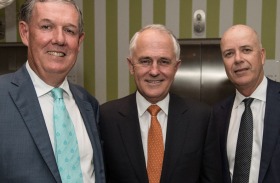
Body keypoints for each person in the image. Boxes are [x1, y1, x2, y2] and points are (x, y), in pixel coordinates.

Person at [99, 24, 222, 183]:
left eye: (164, 61)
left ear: (176, 67)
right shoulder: (107, 117)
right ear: (131, 66)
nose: (154, 71)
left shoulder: (202, 118)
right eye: (145, 61)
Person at [0, 0, 105, 182]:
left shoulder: (89, 104)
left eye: (69, 30)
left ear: (79, 41)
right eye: (47, 26)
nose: (59, 39)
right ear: (25, 33)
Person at [213, 24, 280, 183]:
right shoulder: (217, 115)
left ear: (262, 56)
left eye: (246, 50)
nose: (238, 59)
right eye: (229, 53)